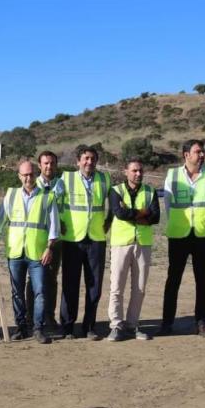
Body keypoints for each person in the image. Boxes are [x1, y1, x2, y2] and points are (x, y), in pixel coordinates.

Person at [161, 139, 205, 340]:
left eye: (203, 151)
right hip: (179, 235)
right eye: (198, 151)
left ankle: (201, 324)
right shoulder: (173, 174)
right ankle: (167, 323)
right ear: (186, 154)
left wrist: (202, 222)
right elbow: (168, 205)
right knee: (173, 280)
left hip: (203, 236)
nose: (202, 155)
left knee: (202, 282)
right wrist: (181, 222)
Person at [58, 145, 112, 340]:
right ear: (78, 161)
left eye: (93, 159)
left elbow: (113, 203)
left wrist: (109, 221)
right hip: (72, 240)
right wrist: (60, 224)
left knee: (94, 286)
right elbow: (54, 202)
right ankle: (67, 327)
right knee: (70, 285)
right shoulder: (66, 178)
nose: (89, 162)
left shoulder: (105, 179)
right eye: (86, 158)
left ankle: (89, 327)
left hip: (96, 239)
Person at [3, 160, 59, 344]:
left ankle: (38, 328)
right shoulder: (10, 195)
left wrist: (49, 248)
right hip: (16, 251)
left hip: (38, 253)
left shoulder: (47, 197)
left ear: (37, 174)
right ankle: (21, 327)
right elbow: (2, 221)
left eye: (31, 174)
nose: (28, 178)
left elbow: (54, 226)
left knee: (40, 291)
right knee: (16, 292)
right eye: (24, 174)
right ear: (19, 176)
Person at [106, 158, 161, 341]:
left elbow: (156, 217)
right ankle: (116, 325)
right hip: (121, 243)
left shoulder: (150, 191)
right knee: (117, 287)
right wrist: (143, 212)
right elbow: (119, 213)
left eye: (140, 171)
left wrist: (134, 213)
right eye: (134, 171)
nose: (138, 174)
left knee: (139, 288)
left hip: (143, 244)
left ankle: (132, 324)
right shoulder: (116, 190)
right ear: (125, 171)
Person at [24, 150, 63, 331]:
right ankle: (30, 317)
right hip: (36, 241)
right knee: (33, 281)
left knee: (52, 279)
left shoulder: (61, 185)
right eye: (45, 163)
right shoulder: (32, 183)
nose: (49, 166)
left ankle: (49, 316)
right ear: (40, 165)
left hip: (56, 240)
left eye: (52, 163)